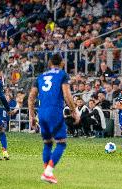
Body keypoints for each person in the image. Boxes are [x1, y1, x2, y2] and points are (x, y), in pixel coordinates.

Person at [28, 54, 79, 184]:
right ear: (62, 63)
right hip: (54, 112)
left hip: (42, 113)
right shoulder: (62, 75)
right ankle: (48, 172)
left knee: (48, 143)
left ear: (50, 62)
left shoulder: (40, 77)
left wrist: (32, 116)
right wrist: (74, 111)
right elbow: (67, 95)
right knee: (61, 142)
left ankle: (47, 173)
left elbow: (31, 97)